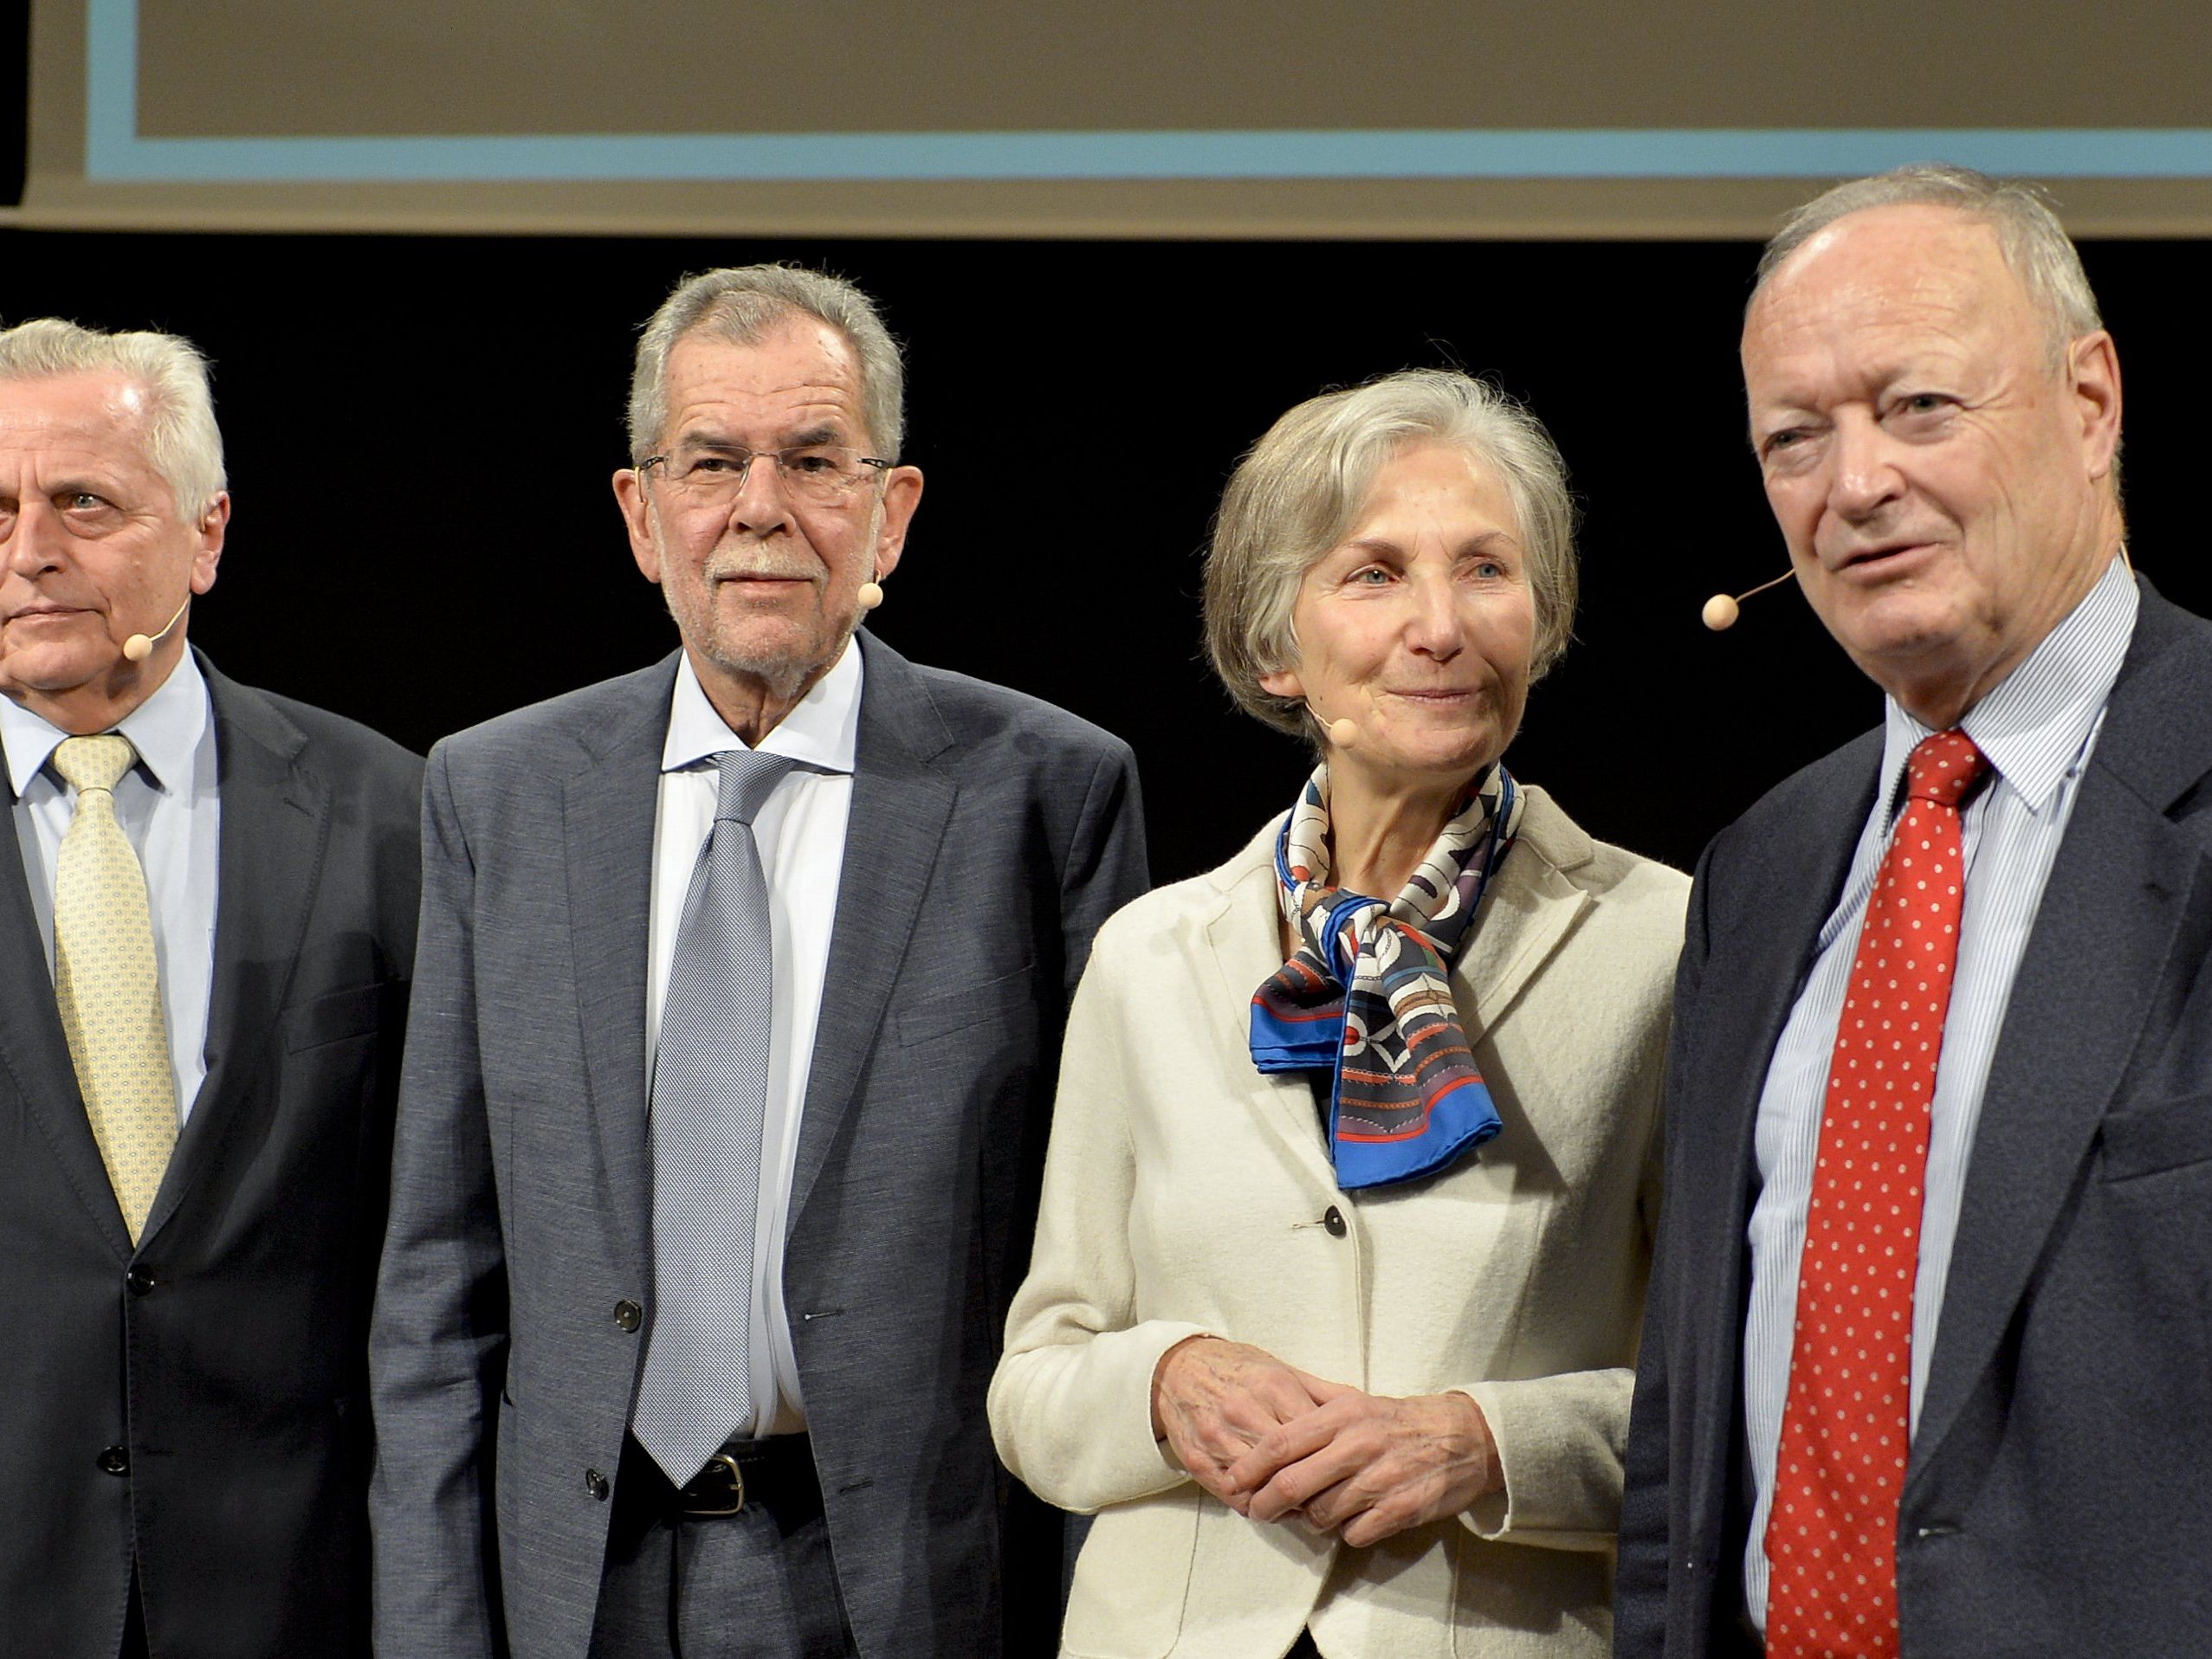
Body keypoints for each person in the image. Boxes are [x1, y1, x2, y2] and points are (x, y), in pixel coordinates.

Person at [368, 263, 1148, 1659]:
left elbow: (1109, 1265)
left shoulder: (1045, 793)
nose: (760, 510)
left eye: (813, 461)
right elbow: (438, 1282)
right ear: (641, 514)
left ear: (890, 511)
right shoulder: (496, 794)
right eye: (711, 462)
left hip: (911, 1582)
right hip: (576, 1585)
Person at [989, 368, 1688, 1658]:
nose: (1440, 626)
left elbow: (1740, 1398)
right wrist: (1162, 1382)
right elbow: (1036, 1380)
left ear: (1538, 620)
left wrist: (1488, 1444)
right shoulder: (1151, 957)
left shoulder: (1665, 942)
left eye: (1484, 569)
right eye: (1372, 575)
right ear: (1276, 649)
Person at [1615, 165, 2212, 1659]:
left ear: (2089, 403)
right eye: (1794, 439)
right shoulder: (1755, 871)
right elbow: (1685, 1429)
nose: (1854, 483)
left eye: (1918, 408)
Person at [0, 317, 421, 1656]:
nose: (27, 552)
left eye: (83, 502)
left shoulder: (393, 817)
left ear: (207, 534)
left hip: (298, 1589)